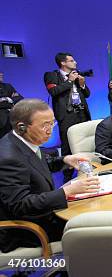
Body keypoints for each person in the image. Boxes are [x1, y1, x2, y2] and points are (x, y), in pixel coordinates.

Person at [0, 99, 100, 253]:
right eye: (44, 125)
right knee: (94, 228)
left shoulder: (21, 141)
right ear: (22, 127)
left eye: (52, 123)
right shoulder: (8, 157)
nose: (50, 130)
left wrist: (65, 160)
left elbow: (36, 162)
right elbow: (20, 205)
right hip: (28, 229)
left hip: (44, 213)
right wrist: (66, 192)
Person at [44, 53, 91, 159]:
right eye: (72, 61)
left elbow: (87, 94)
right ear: (63, 63)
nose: (75, 62)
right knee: (67, 144)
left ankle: (88, 166)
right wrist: (69, 80)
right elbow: (53, 91)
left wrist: (82, 84)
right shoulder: (52, 75)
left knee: (85, 142)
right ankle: (68, 174)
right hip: (66, 115)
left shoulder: (76, 74)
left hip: (81, 112)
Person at [0, 72, 23, 138]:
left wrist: (6, 99)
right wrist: (9, 102)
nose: (1, 74)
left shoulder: (8, 86)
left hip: (12, 116)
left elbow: (19, 98)